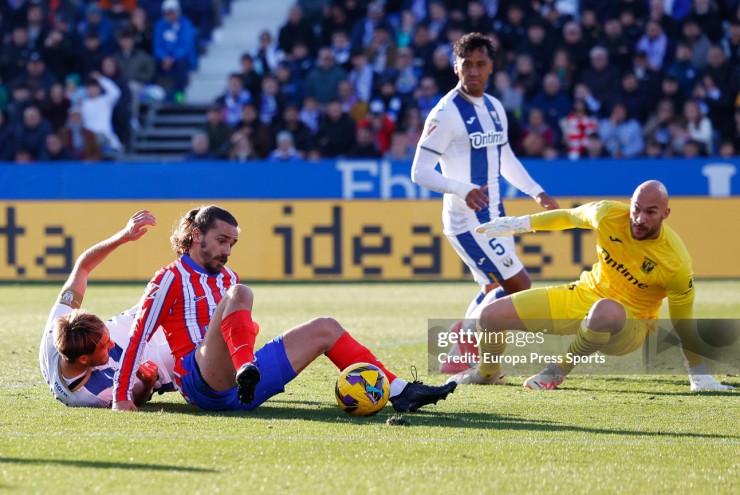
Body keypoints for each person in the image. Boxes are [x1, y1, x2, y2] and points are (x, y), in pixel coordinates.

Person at [112, 206, 456, 412]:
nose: (227, 251)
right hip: (204, 384)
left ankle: (400, 392)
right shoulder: (169, 278)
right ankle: (247, 366)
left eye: (232, 244)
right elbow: (139, 333)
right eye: (221, 241)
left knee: (325, 326)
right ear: (197, 235)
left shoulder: (227, 275)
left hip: (241, 385)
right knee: (240, 293)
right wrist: (120, 396)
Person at [449, 181, 735, 392]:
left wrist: (698, 374)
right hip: (585, 294)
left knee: (605, 310)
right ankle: (487, 373)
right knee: (489, 316)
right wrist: (519, 223)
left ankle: (557, 371)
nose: (640, 218)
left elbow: (683, 321)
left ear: (665, 214)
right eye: (637, 209)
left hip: (629, 325)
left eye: (651, 212)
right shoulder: (608, 214)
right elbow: (568, 217)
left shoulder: (675, 261)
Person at [410, 33, 558, 376]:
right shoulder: (445, 114)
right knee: (518, 285)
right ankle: (472, 350)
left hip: (496, 217)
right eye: (467, 65)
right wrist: (461, 188)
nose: (473, 71)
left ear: (491, 67)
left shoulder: (494, 107)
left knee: (493, 286)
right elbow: (419, 171)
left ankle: (457, 351)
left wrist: (535, 191)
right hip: (466, 222)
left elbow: (503, 156)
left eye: (480, 64)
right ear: (455, 67)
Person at [39, 210, 175, 408]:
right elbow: (134, 397)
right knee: (197, 351)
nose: (110, 344)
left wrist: (123, 236)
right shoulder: (95, 394)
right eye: (104, 345)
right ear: (84, 359)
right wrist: (147, 384)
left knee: (171, 297)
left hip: (123, 330)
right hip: (147, 363)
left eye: (105, 337)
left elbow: (82, 268)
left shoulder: (55, 335)